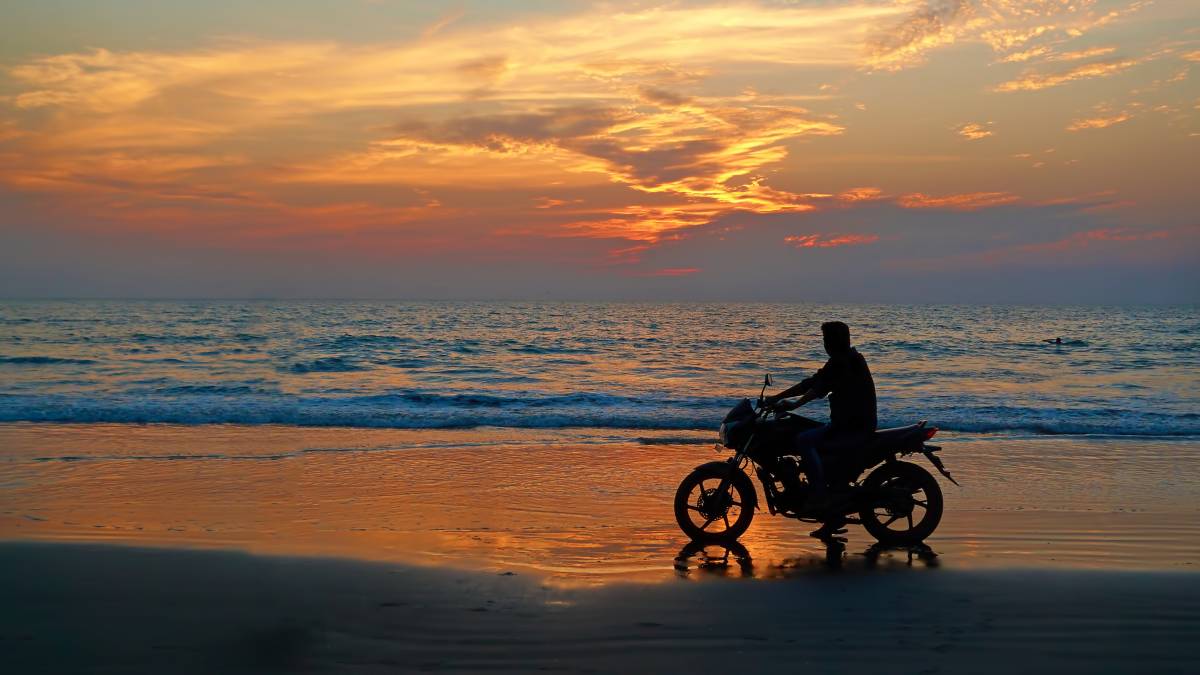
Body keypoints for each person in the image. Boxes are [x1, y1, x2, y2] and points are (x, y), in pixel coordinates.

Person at [764, 321, 877, 536]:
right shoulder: (845, 359)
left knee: (803, 440)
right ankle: (832, 517)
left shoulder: (844, 363)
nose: (824, 344)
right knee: (804, 433)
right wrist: (777, 397)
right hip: (847, 424)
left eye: (826, 339)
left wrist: (793, 404)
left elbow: (817, 389)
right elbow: (812, 382)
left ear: (834, 341)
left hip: (852, 428)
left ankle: (818, 495)